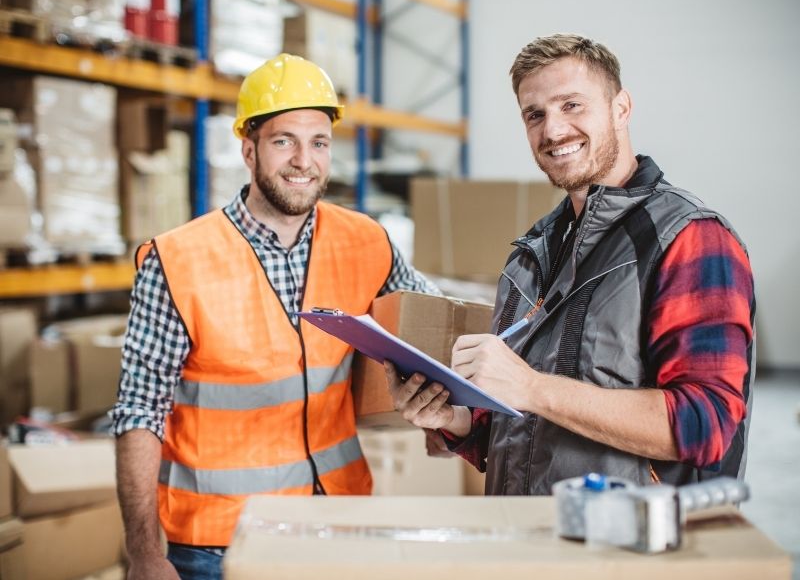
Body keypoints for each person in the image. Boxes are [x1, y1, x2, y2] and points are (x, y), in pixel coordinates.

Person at [112, 53, 440, 580]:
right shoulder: (177, 261)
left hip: (336, 522)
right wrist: (145, 554)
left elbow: (432, 330)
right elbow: (138, 412)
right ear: (249, 149)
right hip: (218, 543)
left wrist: (449, 421)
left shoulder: (366, 242)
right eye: (284, 140)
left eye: (319, 142)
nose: (303, 161)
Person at [387, 34, 755, 496]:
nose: (553, 131)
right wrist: (454, 421)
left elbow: (707, 425)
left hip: (630, 553)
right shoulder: (532, 251)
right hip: (530, 542)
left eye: (572, 106)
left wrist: (532, 388)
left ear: (621, 108)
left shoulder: (689, 238)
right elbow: (517, 434)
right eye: (534, 115)